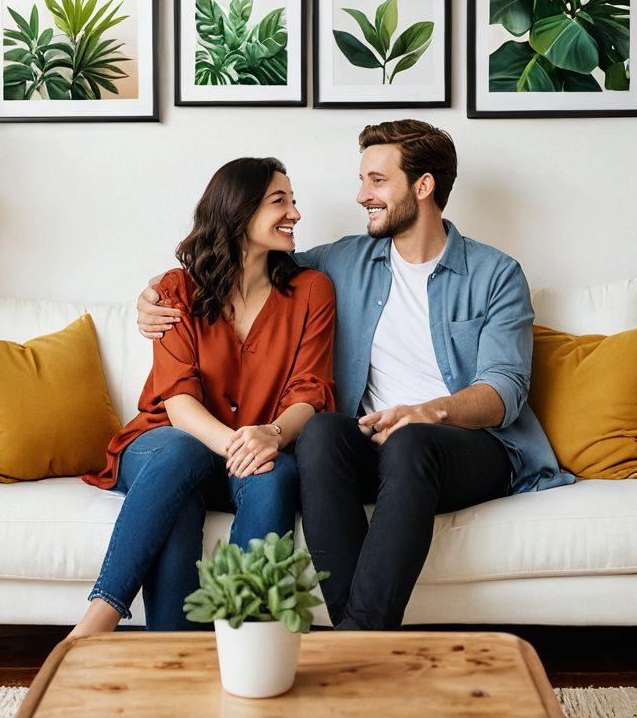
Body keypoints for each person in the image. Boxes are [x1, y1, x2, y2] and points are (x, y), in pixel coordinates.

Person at [137, 120, 574, 632]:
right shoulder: (344, 260)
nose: (362, 195)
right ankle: (357, 637)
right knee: (321, 430)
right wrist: (159, 295)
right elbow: (241, 264)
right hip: (372, 443)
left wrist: (429, 411)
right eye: (363, 181)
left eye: (376, 181)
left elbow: (505, 390)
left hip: (468, 446)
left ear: (423, 186)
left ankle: (359, 636)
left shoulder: (495, 273)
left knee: (414, 442)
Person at [71, 157, 336, 637]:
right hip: (163, 444)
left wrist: (271, 435)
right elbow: (178, 404)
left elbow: (310, 390)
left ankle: (241, 639)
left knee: (275, 474)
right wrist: (243, 444)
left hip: (252, 449)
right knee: (182, 450)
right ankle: (100, 617)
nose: (296, 213)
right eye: (281, 201)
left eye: (294, 202)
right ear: (238, 210)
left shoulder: (312, 291)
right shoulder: (176, 290)